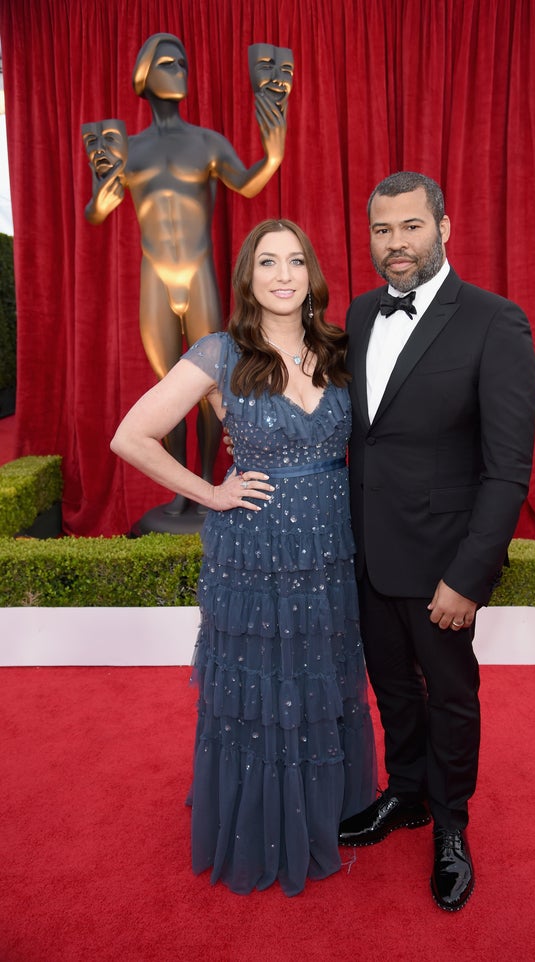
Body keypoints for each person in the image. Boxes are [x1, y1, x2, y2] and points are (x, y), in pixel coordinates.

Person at [110, 218, 377, 896]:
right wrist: (211, 493)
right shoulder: (220, 353)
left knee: (323, 678)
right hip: (254, 552)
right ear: (248, 277)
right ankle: (262, 823)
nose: (283, 275)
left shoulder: (343, 348)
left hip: (329, 548)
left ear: (311, 274)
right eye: (268, 262)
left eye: (295, 261)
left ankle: (331, 811)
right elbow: (132, 435)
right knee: (262, 689)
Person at [337, 171, 535, 912]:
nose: (396, 244)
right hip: (367, 553)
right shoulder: (359, 315)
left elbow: (509, 470)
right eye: (383, 230)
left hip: (443, 565)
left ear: (444, 228)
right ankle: (409, 795)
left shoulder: (495, 321)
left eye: (411, 227)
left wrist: (468, 576)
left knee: (451, 698)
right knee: (392, 690)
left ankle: (451, 828)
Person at [86, 34, 290, 516]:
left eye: (183, 62)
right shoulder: (127, 149)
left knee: (210, 384)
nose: (180, 69)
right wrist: (102, 196)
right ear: (144, 75)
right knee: (168, 387)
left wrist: (274, 155)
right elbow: (97, 211)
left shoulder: (208, 143)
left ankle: (202, 482)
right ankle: (181, 488)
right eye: (168, 63)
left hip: (197, 275)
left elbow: (247, 182)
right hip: (155, 277)